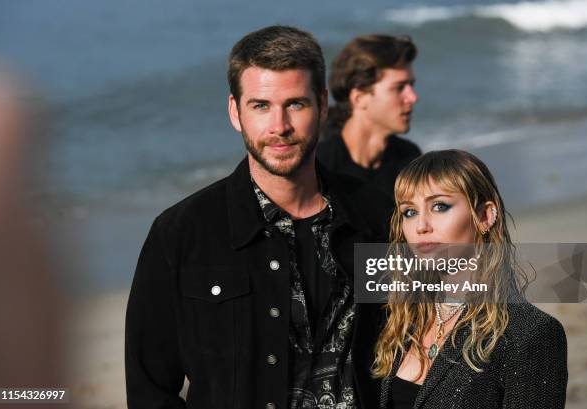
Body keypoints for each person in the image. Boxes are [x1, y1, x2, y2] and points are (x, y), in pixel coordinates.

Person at [125, 26, 391, 409]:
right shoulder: (181, 234)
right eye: (261, 105)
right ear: (236, 112)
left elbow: (429, 340)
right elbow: (149, 389)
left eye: (295, 104)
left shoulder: (375, 217)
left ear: (323, 105)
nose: (279, 126)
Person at [372, 150, 568, 408]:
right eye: (409, 212)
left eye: (439, 206)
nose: (421, 226)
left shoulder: (530, 334)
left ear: (485, 216)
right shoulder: (404, 320)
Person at [317, 34, 421, 199]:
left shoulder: (409, 159)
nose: (413, 97)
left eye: (411, 86)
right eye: (399, 88)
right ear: (360, 97)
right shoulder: (320, 166)